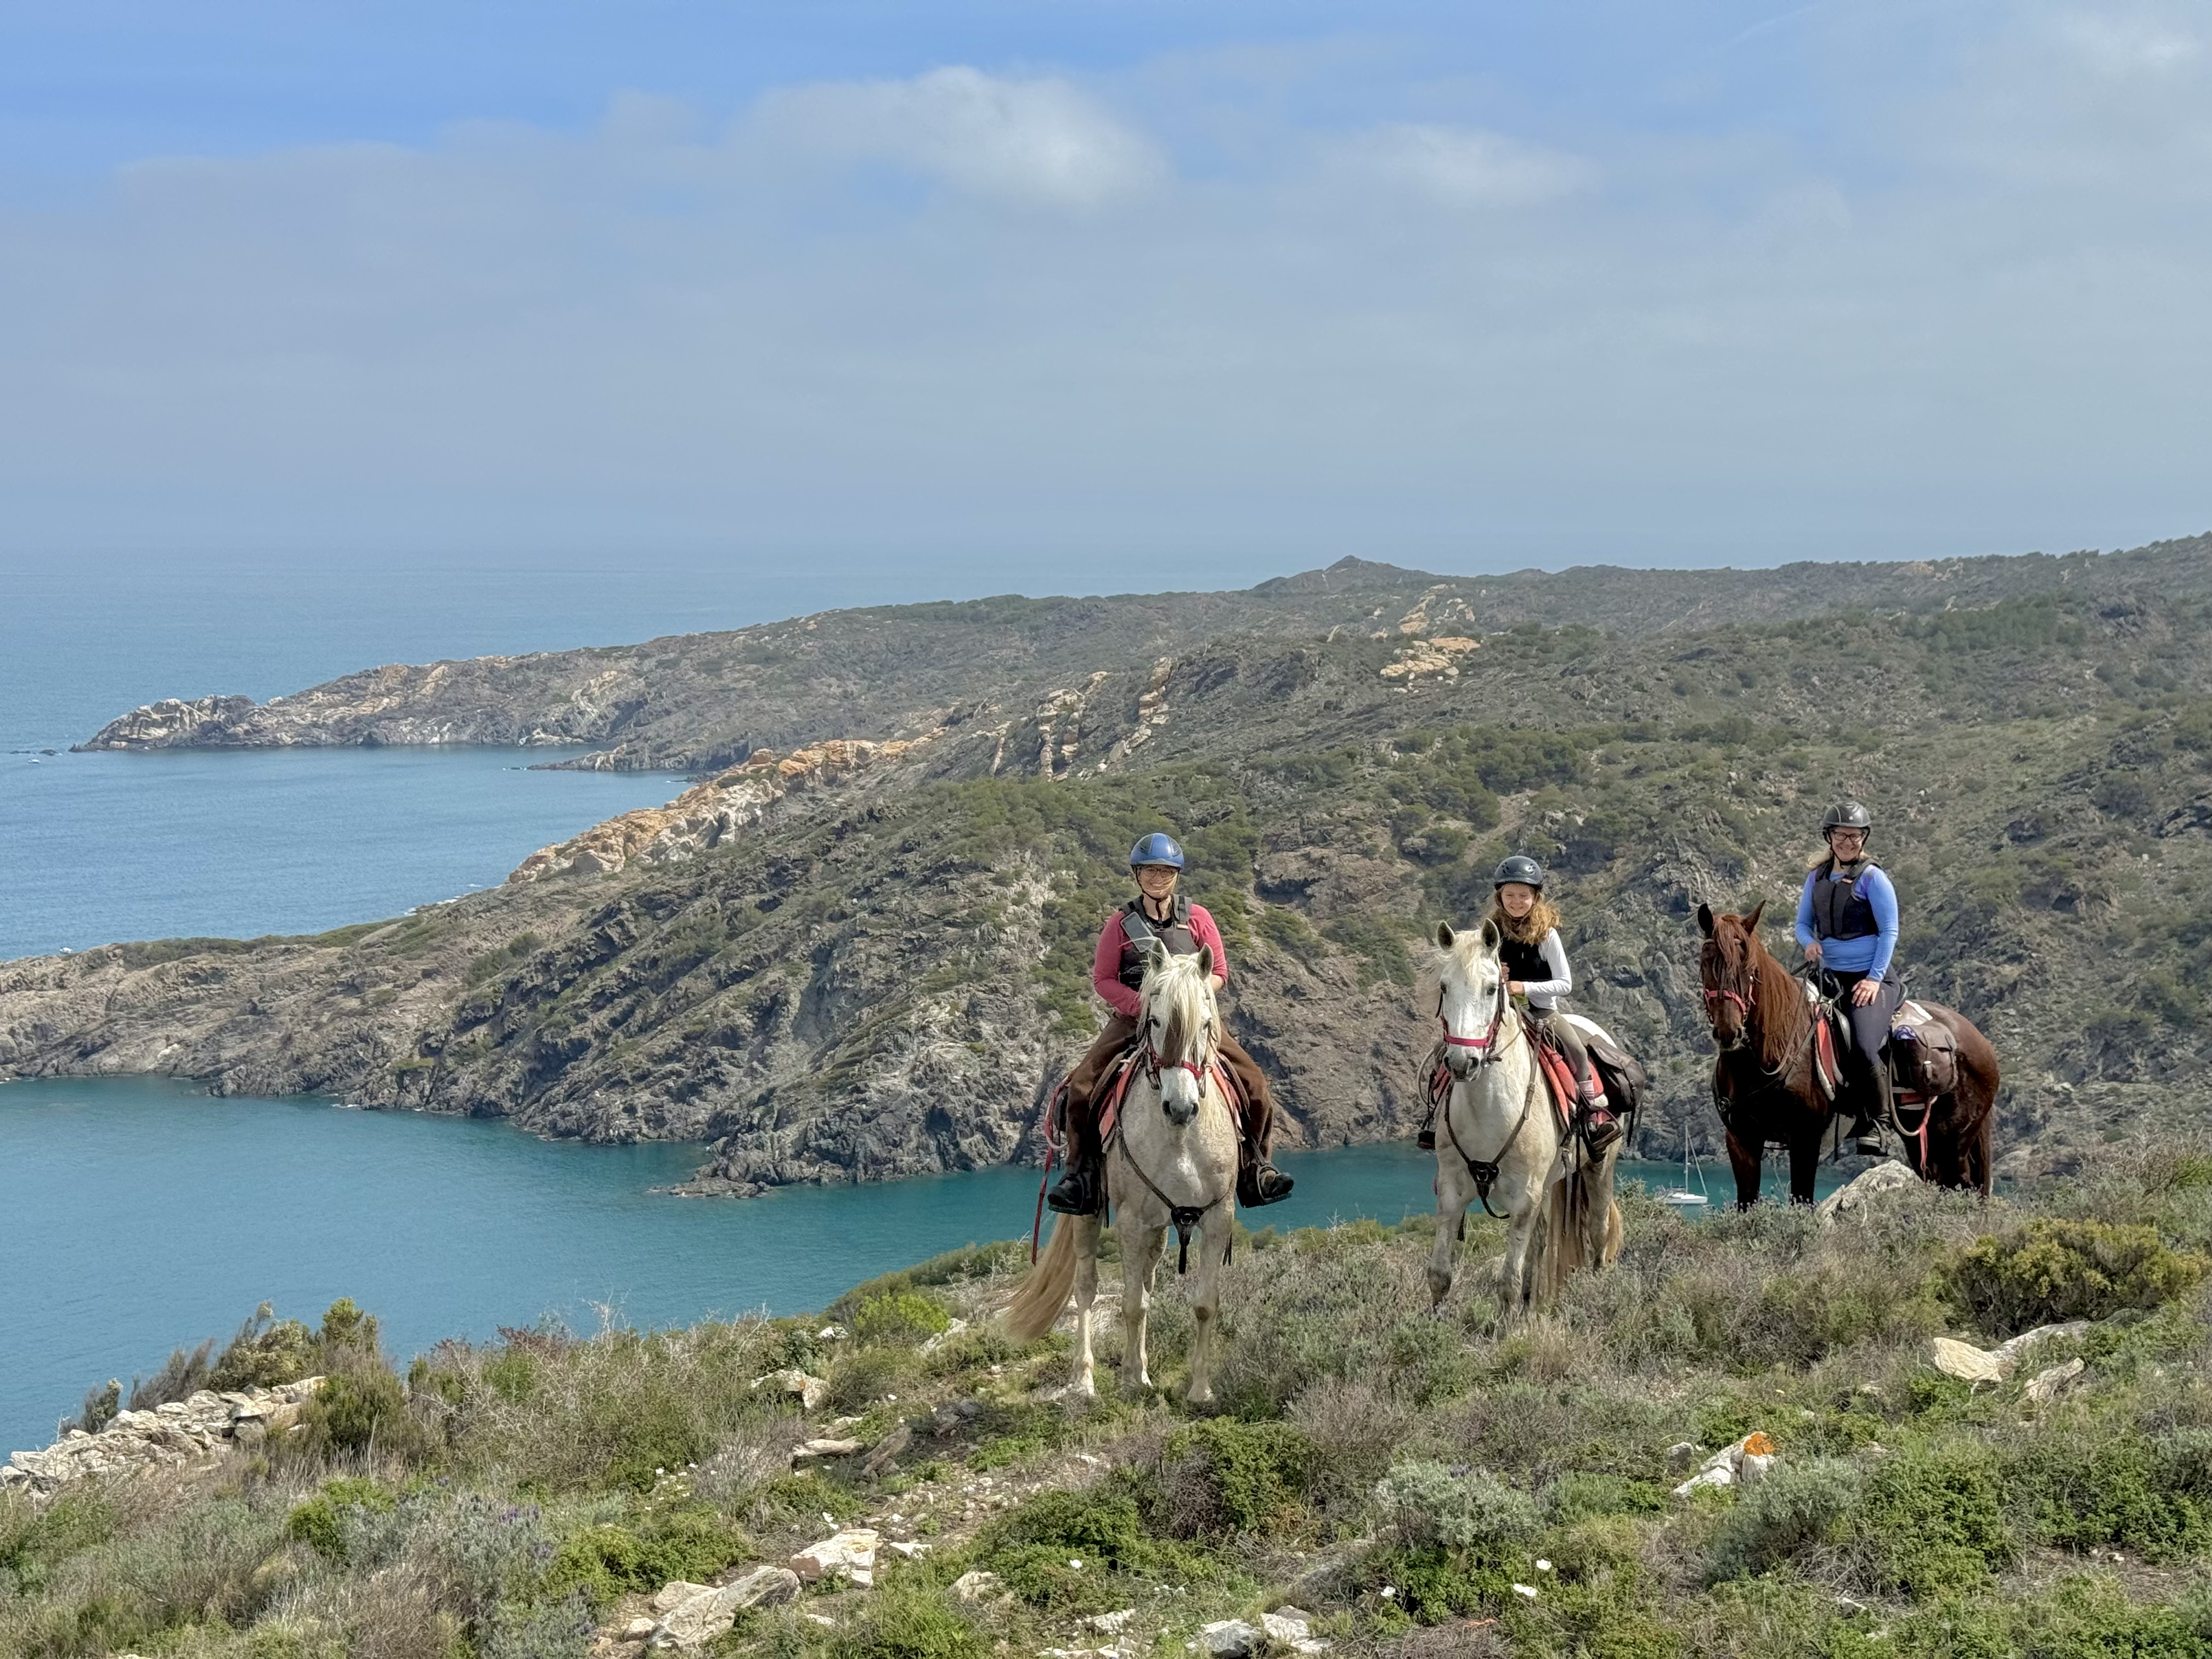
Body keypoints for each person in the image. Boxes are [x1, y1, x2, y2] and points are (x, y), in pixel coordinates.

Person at [1045, 832, 1294, 1216]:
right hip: (1135, 1019)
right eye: (1149, 872)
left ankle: (1256, 1167)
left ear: (1175, 875)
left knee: (1256, 1085)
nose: (1158, 879)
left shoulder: (1198, 918)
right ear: (1137, 875)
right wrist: (1143, 1003)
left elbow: (1220, 972)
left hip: (1192, 1020)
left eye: (1165, 871)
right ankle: (1080, 1175)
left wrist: (1191, 996)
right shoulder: (1120, 925)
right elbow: (1103, 980)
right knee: (1081, 1088)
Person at [1485, 855, 1617, 1152]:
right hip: (1500, 1010)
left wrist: (1524, 986)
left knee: (1577, 1052)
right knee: (1455, 1050)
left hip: (1541, 1012)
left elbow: (1565, 984)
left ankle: (1592, 1116)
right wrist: (1496, 973)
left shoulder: (1547, 935)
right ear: (1499, 897)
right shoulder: (1491, 932)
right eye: (1510, 895)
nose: (1516, 902)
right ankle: (1437, 1120)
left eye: (1523, 895)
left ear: (1535, 898)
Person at [1794, 800, 1901, 1157]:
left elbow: (1889, 931)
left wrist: (1873, 979)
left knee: (1863, 1045)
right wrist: (1809, 944)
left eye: (1855, 836)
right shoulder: (1817, 879)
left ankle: (1878, 1124)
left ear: (1863, 838)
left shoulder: (1874, 878)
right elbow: (1802, 924)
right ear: (1830, 837)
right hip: (1827, 977)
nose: (1848, 842)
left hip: (1870, 979)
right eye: (1841, 835)